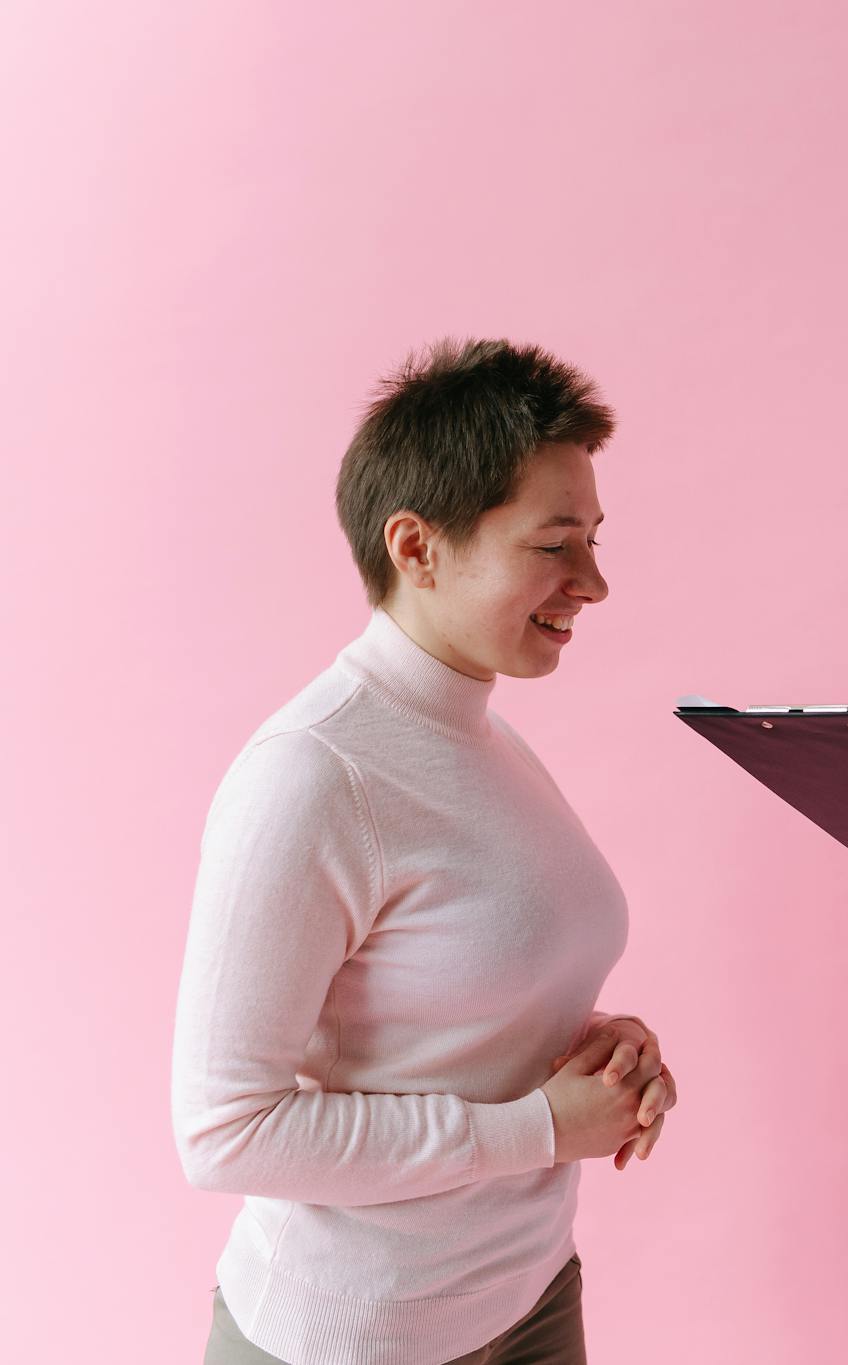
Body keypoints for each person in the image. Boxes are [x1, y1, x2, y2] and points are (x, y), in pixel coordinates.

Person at [171, 339, 676, 1365]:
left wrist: (599, 1048)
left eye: (595, 539)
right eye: (553, 544)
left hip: (528, 1295)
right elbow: (225, 1132)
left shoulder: (485, 739)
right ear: (416, 547)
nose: (593, 583)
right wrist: (540, 1128)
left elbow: (447, 1000)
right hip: (355, 1337)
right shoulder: (311, 776)